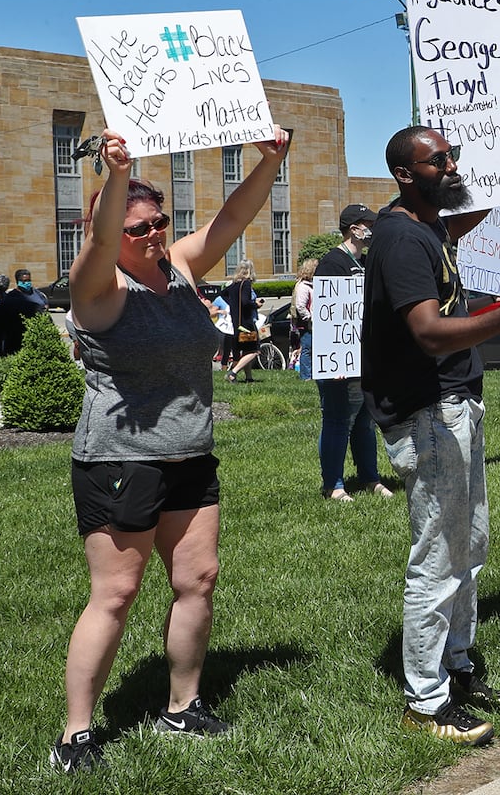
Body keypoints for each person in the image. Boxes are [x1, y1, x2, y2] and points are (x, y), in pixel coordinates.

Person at [53, 125, 290, 773]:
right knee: (117, 594)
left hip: (191, 453)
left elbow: (232, 217)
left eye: (159, 221)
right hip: (121, 460)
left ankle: (181, 708)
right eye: (140, 227)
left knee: (198, 580)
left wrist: (270, 162)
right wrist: (118, 176)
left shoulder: (178, 268)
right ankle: (75, 736)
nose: (154, 234)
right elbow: (103, 238)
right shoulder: (98, 288)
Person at [361, 125, 500, 746]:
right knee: (439, 555)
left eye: (453, 157)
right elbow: (426, 331)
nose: (450, 166)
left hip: (454, 403)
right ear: (403, 173)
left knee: (468, 545)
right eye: (436, 160)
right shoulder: (398, 239)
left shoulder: (427, 228)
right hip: (426, 411)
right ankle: (426, 700)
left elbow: (457, 227)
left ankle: (457, 665)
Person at [315, 204, 390, 502]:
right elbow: (327, 314)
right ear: (353, 227)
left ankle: (369, 477)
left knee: (364, 420)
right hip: (339, 362)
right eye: (366, 223)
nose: (370, 228)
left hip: (365, 357)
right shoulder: (331, 262)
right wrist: (334, 355)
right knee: (337, 420)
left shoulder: (368, 261)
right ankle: (333, 484)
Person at [217, 261, 262, 383]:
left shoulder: (234, 285)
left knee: (246, 350)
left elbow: (222, 294)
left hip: (237, 323)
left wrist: (233, 305)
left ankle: (249, 377)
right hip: (247, 323)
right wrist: (256, 305)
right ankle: (233, 373)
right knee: (255, 350)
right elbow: (245, 302)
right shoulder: (246, 284)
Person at [291, 257, 317, 379]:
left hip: (313, 323)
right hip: (307, 324)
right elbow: (300, 306)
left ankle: (311, 373)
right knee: (307, 348)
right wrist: (309, 317)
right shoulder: (303, 286)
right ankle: (306, 376)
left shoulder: (311, 285)